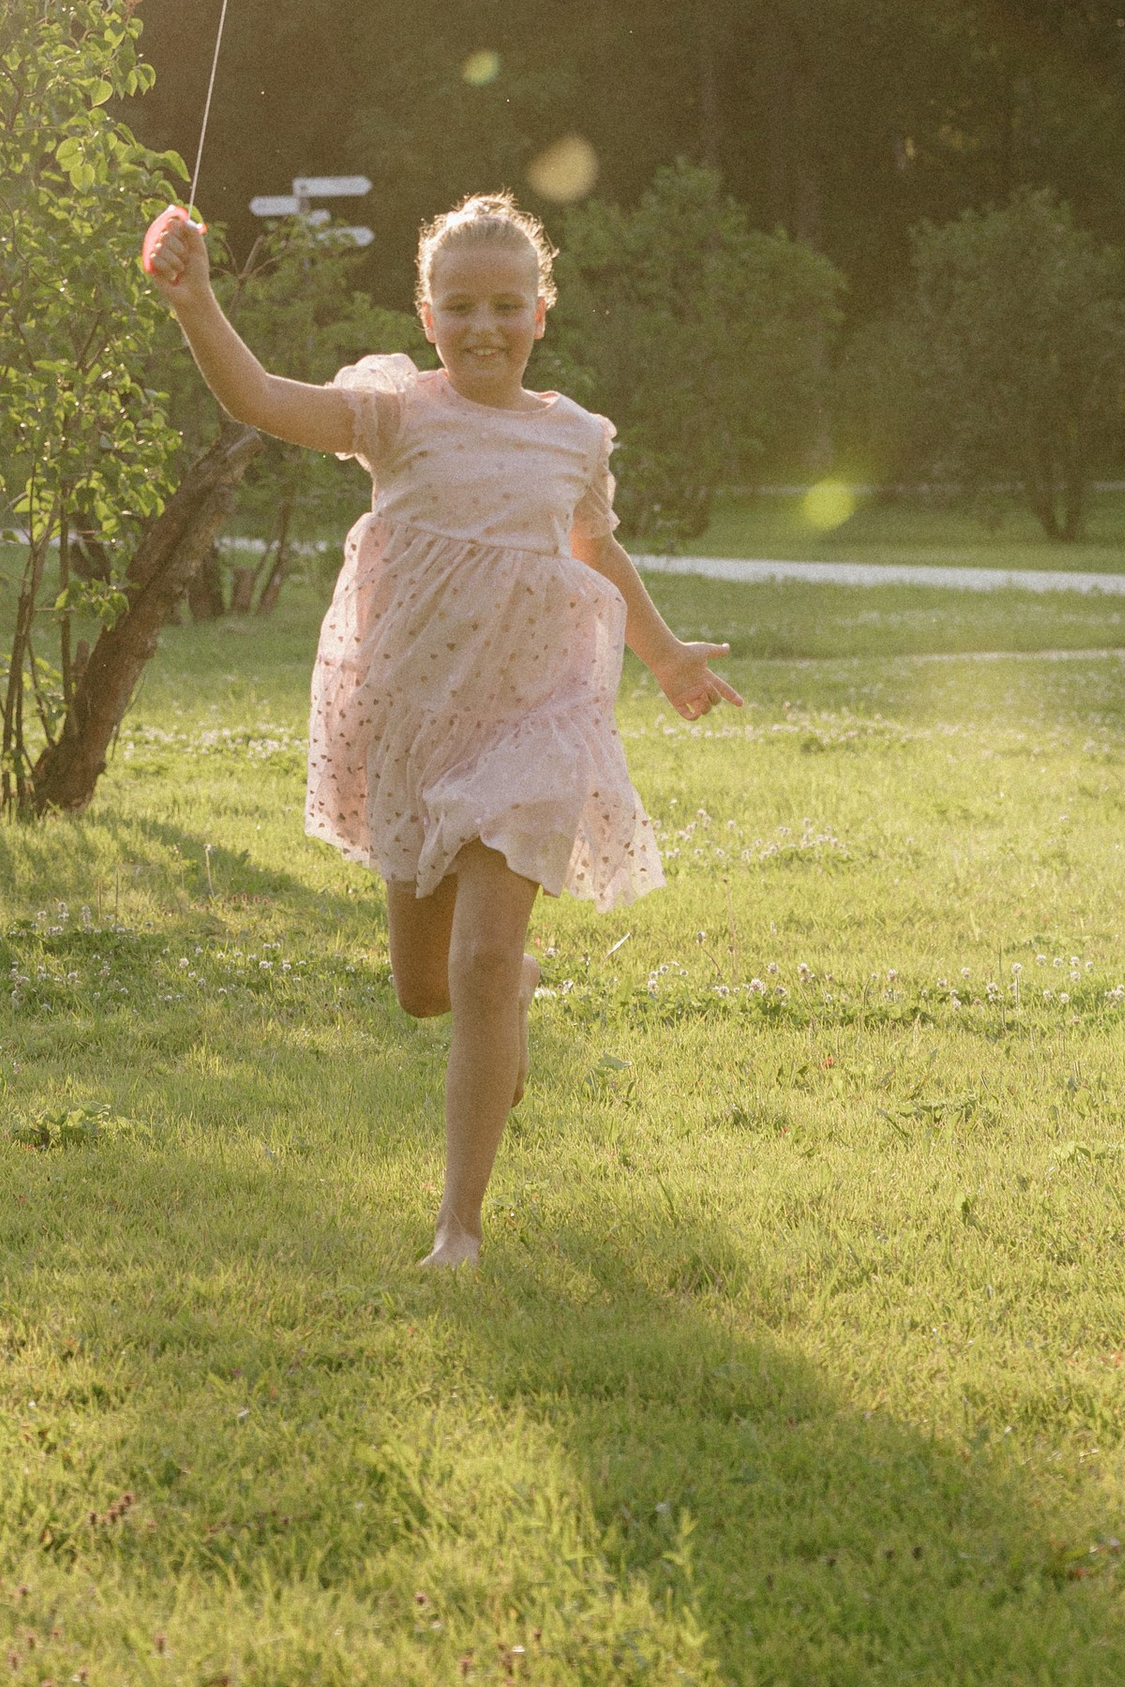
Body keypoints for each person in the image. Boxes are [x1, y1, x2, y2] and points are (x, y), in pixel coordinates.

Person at [141, 186, 744, 1268]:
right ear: (426, 317)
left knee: (474, 962)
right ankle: (510, 996)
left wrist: (661, 654)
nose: (483, 327)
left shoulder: (572, 438)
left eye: (506, 305)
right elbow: (260, 399)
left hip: (534, 724)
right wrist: (197, 306)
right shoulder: (395, 415)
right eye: (459, 306)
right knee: (426, 992)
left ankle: (456, 1230)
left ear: (540, 314)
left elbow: (591, 551)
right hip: (415, 725)